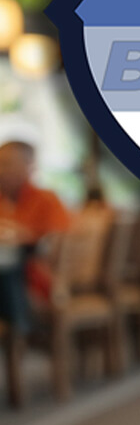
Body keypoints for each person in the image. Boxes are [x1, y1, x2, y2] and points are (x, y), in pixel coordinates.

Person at [0, 140, 69, 334]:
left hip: (36, 274)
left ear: (29, 165)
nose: (2, 169)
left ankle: (19, 322)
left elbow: (59, 242)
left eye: (7, 163)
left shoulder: (46, 199)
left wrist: (26, 235)